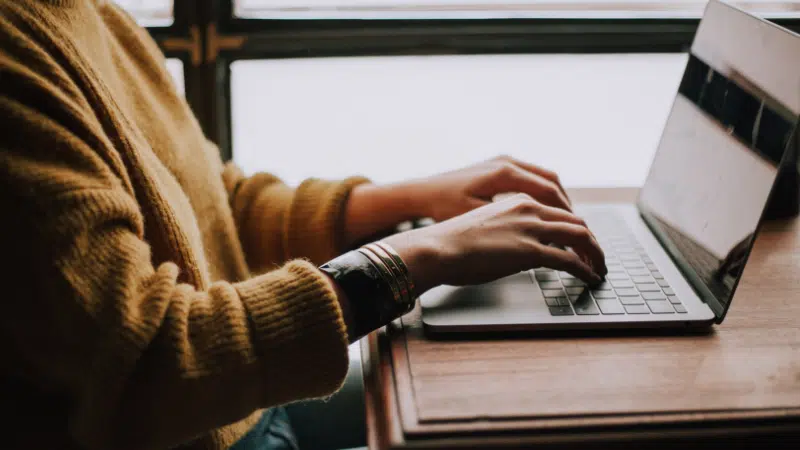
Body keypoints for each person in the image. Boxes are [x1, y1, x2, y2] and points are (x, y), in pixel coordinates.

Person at [0, 1, 607, 450]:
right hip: (202, 430)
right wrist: (416, 256)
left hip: (236, 409)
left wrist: (414, 199)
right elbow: (150, 362)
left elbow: (213, 202)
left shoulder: (85, 10)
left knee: (503, 400)